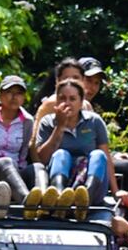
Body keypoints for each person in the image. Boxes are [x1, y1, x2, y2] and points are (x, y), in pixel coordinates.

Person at [33, 78, 117, 219]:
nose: (67, 103)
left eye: (72, 99)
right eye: (62, 99)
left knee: (98, 155)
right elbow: (42, 159)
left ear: (81, 102)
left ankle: (84, 200)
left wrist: (115, 191)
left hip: (90, 180)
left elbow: (106, 157)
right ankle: (60, 199)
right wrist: (59, 127)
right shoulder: (48, 122)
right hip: (62, 179)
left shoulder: (94, 121)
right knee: (61, 154)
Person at [78, 56, 128, 211]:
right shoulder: (65, 102)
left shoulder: (88, 106)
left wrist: (114, 154)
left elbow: (95, 142)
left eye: (96, 83)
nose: (93, 87)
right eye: (88, 81)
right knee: (127, 169)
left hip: (93, 156)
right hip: (80, 161)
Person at [0, 75, 48, 213]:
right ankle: (28, 204)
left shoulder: (27, 122)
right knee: (5, 162)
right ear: (0, 95)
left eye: (19, 93)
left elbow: (23, 153)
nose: (14, 97)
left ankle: (44, 203)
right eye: (9, 92)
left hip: (14, 174)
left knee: (37, 167)